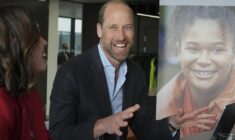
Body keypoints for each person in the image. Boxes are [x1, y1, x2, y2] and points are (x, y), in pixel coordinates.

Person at [49, 1, 216, 140]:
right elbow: (58, 133)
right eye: (113, 27)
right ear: (99, 30)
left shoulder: (136, 74)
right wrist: (100, 126)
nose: (121, 36)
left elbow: (145, 128)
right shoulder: (71, 72)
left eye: (127, 27)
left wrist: (172, 123)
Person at [156, 6, 235, 137]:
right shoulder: (161, 106)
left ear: (234, 54)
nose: (204, 60)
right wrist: (171, 126)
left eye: (217, 49)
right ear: (179, 51)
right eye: (193, 49)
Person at [0, 5, 51, 140]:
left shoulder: (30, 95)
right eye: (36, 35)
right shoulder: (2, 106)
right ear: (16, 44)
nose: (44, 41)